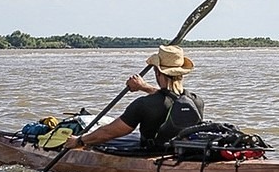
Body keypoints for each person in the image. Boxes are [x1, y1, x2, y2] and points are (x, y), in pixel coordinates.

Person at [64, 45, 204, 152]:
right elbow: (170, 98)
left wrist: (80, 140)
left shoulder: (144, 104)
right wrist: (143, 87)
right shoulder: (196, 101)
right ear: (182, 73)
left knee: (98, 138)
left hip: (151, 153)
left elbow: (109, 132)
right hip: (180, 151)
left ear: (156, 72)